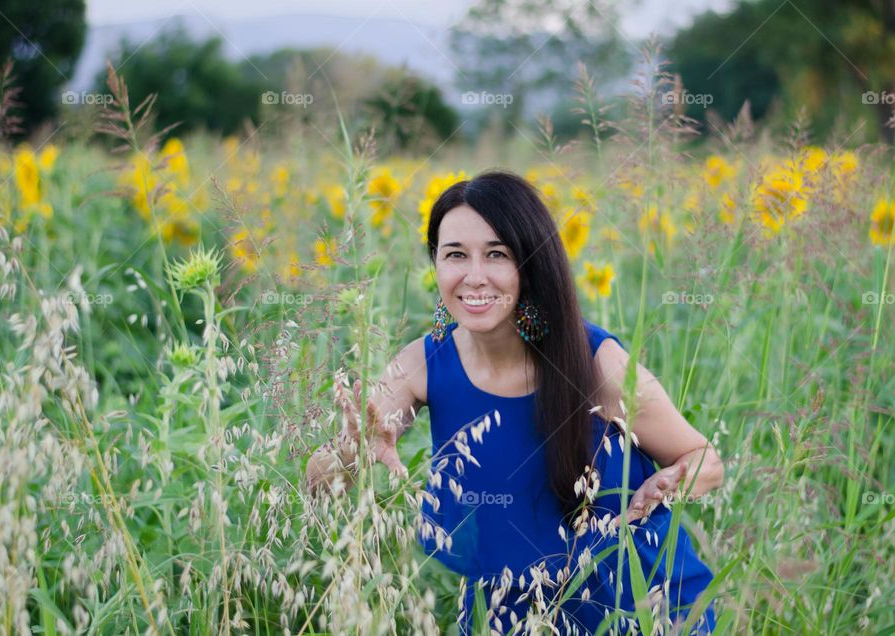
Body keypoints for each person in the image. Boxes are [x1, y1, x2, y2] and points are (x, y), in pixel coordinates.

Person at [306, 170, 724, 634]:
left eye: (497, 254)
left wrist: (666, 484)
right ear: (436, 265)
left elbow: (704, 460)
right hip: (506, 617)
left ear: (531, 264)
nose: (474, 276)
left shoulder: (595, 363)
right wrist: (352, 447)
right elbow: (318, 481)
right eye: (455, 255)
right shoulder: (422, 365)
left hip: (643, 610)